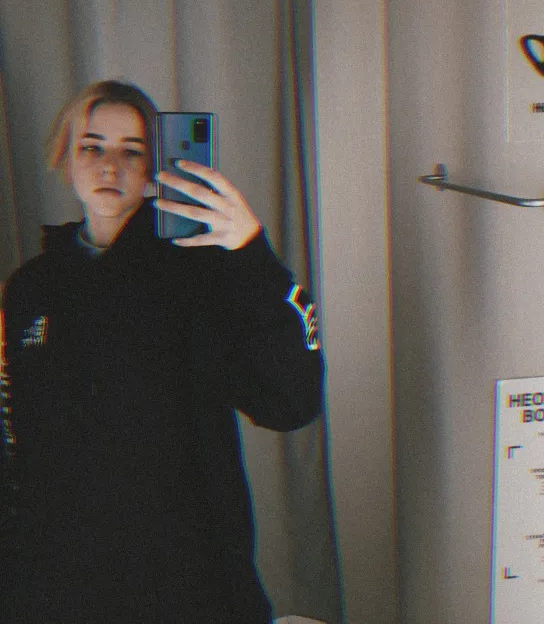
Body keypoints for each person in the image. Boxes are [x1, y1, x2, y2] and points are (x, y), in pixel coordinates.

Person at [0, 80, 323, 623]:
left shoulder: (198, 272)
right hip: (60, 588)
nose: (109, 166)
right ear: (65, 157)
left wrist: (250, 251)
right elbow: (17, 446)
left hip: (190, 583)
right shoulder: (31, 288)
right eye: (92, 146)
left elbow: (290, 402)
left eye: (132, 151)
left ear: (156, 167)